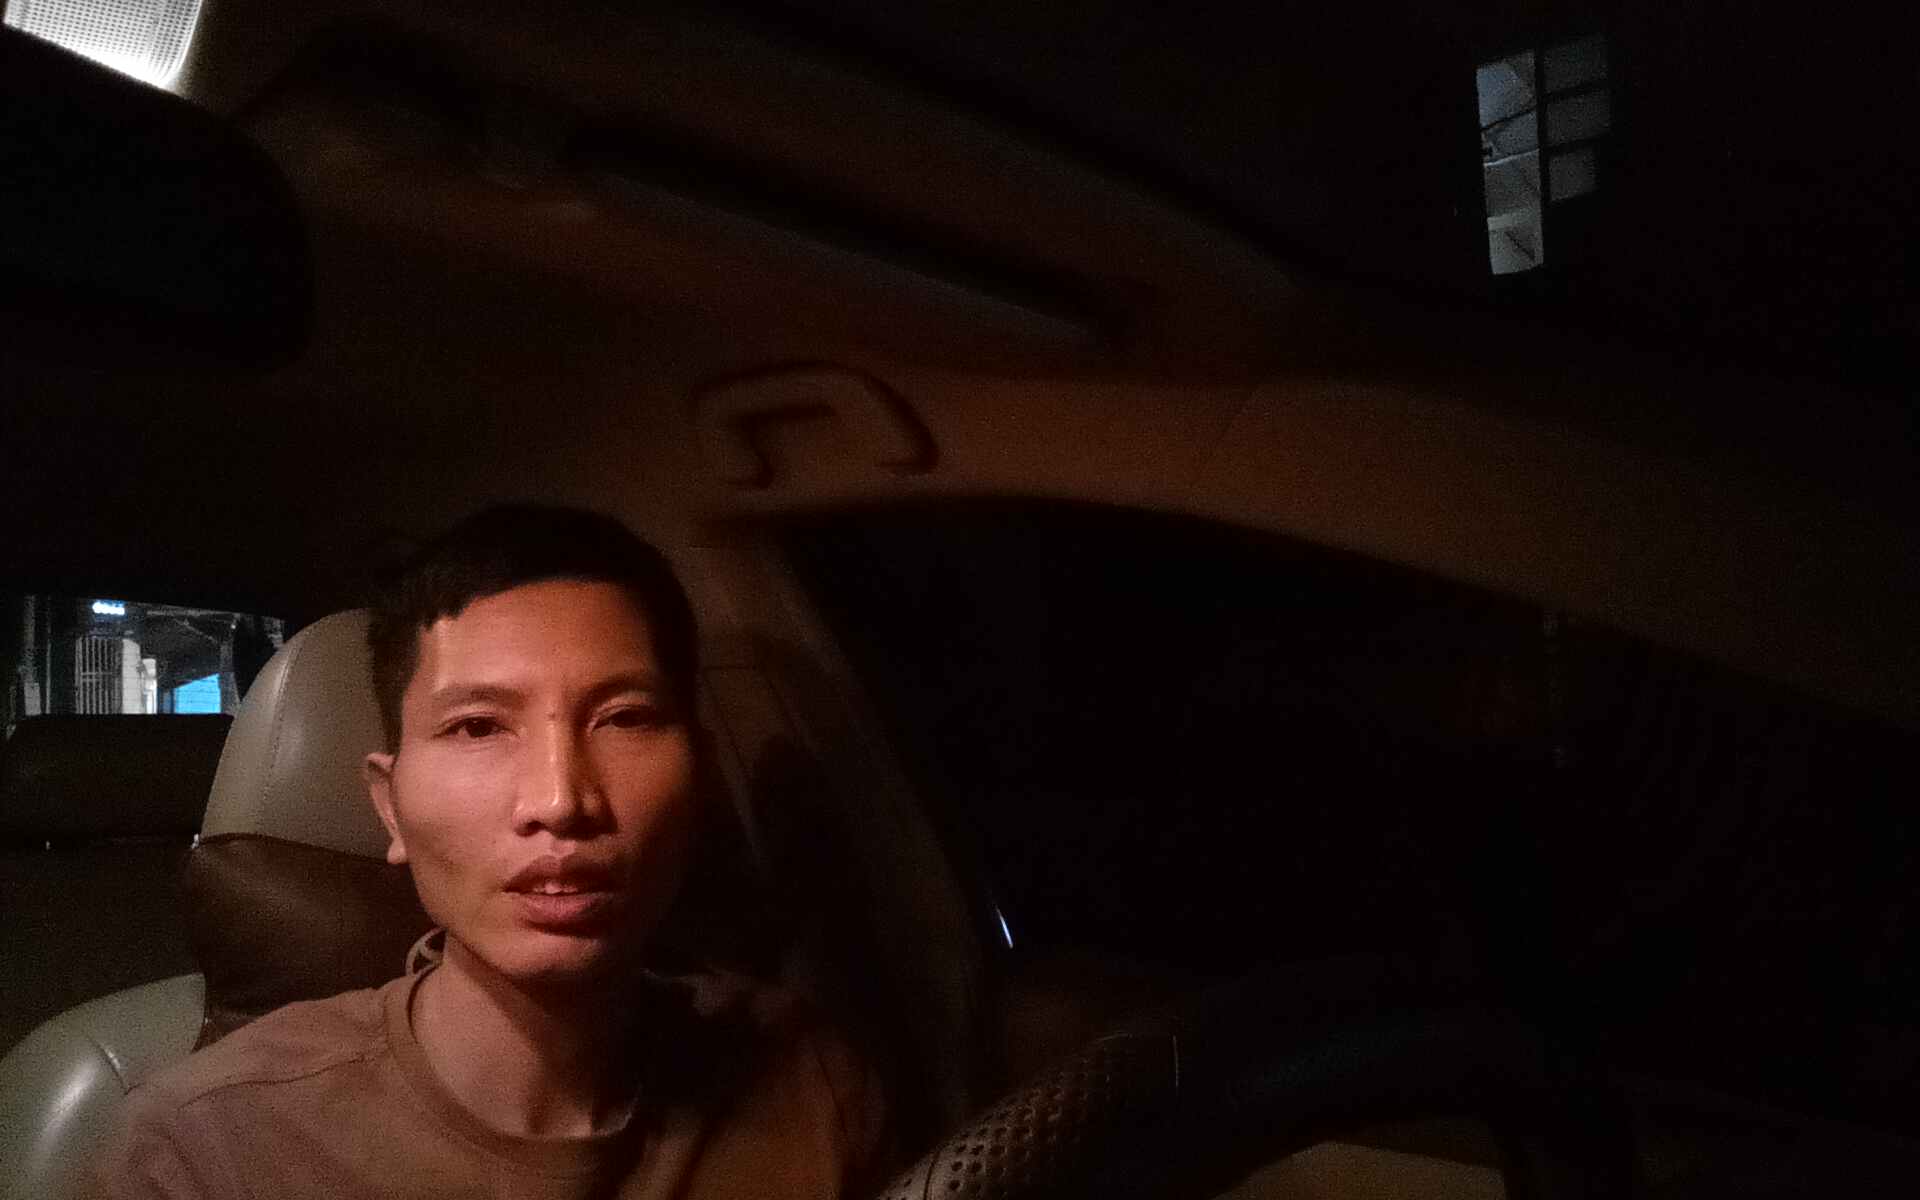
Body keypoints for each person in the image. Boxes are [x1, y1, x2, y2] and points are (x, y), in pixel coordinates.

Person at [91, 505, 889, 1199]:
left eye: (624, 717)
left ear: (702, 778)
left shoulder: (812, 1086)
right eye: (477, 727)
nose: (561, 801)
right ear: (390, 806)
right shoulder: (209, 1151)